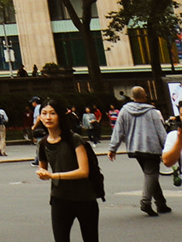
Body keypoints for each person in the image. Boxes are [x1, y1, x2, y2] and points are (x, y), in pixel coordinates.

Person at [36, 98, 102, 242]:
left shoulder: (74, 139)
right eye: (44, 113)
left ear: (60, 115)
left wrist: (53, 175)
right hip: (59, 199)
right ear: (40, 117)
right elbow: (43, 167)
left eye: (52, 113)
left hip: (84, 199)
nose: (48, 117)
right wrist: (42, 173)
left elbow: (84, 171)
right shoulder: (42, 143)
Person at [107, 84, 171, 216]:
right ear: (144, 96)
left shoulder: (124, 111)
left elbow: (118, 130)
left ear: (132, 97)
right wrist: (168, 148)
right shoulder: (152, 112)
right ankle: (145, 202)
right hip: (151, 147)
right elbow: (161, 132)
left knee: (150, 174)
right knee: (151, 174)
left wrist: (112, 148)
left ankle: (161, 203)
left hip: (134, 148)